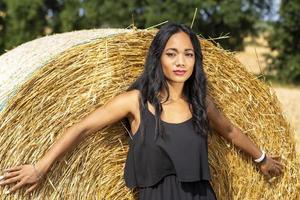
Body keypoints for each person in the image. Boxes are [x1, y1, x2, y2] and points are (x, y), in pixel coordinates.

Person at [0, 22, 283, 199]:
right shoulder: (135, 102)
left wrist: (261, 158)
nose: (181, 61)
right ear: (158, 58)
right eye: (171, 53)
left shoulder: (200, 103)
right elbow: (82, 127)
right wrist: (40, 167)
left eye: (189, 54)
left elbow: (232, 131)